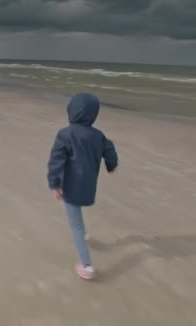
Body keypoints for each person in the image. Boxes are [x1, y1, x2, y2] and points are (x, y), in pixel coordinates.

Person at [47, 93, 118, 280]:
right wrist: (111, 165)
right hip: (89, 186)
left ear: (71, 111)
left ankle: (87, 266)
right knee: (78, 220)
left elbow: (56, 161)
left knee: (75, 225)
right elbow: (110, 150)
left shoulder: (65, 134)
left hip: (70, 186)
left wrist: (54, 184)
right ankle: (86, 236)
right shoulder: (98, 135)